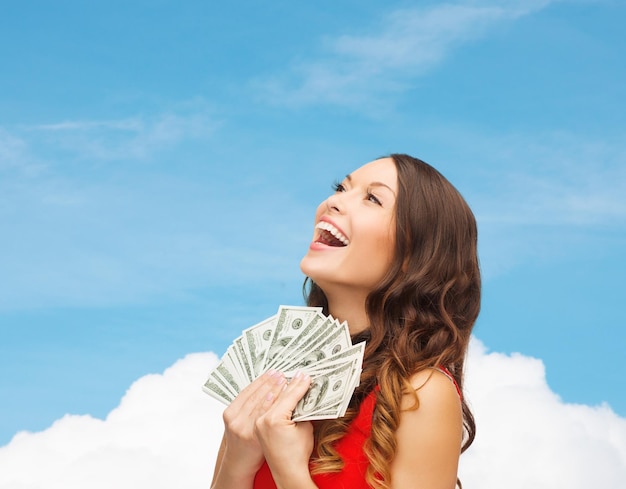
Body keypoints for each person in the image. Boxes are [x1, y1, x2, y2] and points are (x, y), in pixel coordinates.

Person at [210, 154, 480, 489]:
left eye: (372, 198)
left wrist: (289, 470)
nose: (334, 201)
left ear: (414, 256)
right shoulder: (272, 378)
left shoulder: (420, 393)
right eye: (341, 188)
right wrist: (236, 460)